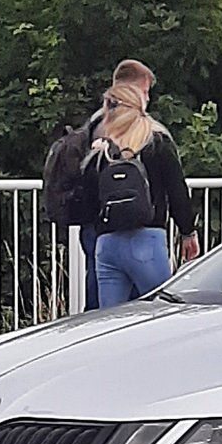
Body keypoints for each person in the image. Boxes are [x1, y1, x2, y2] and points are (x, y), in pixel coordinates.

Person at [86, 82, 199, 308]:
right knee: (161, 314)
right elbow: (177, 190)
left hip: (107, 245)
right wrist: (188, 231)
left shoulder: (100, 152)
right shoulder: (157, 143)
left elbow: (90, 202)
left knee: (109, 323)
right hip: (147, 241)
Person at [79, 60, 159, 311]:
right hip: (134, 230)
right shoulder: (141, 130)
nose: (147, 99)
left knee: (102, 309)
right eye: (144, 91)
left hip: (98, 231)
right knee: (152, 308)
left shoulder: (93, 125)